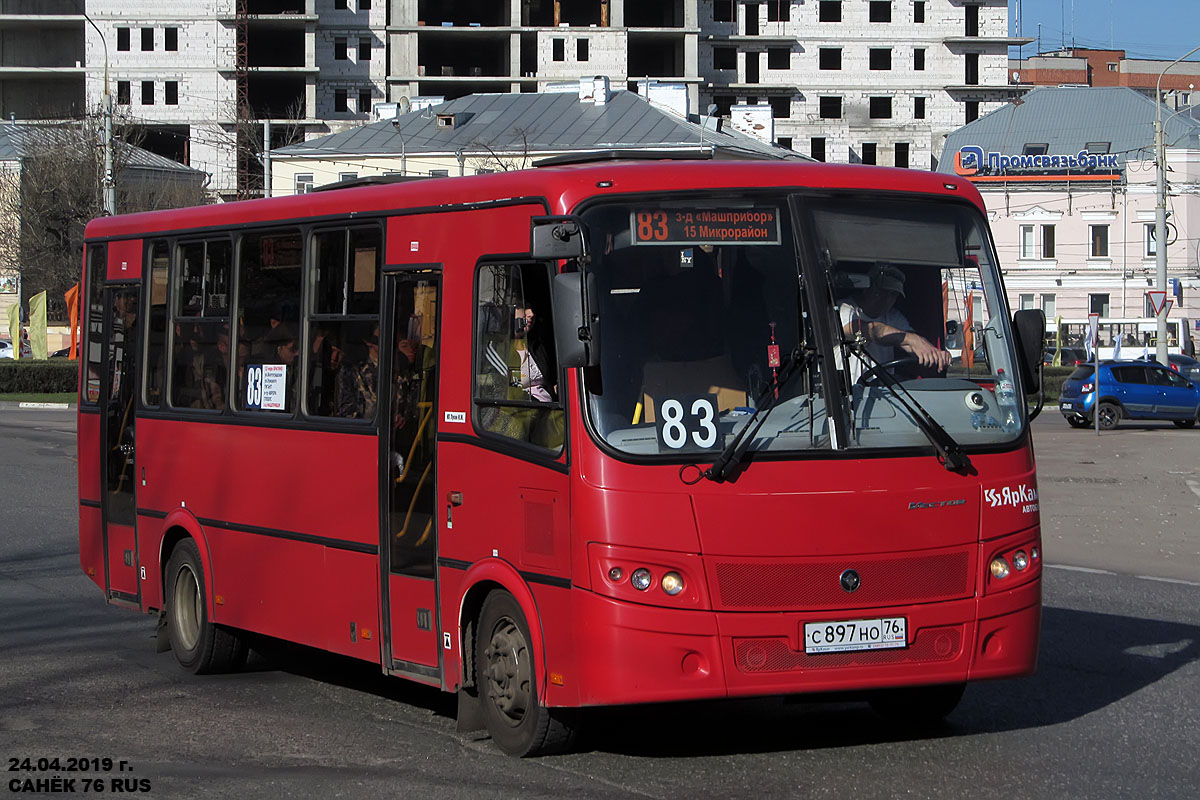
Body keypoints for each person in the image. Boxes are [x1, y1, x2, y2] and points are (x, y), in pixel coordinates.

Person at [839, 263, 950, 377]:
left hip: (883, 389)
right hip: (847, 390)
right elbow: (869, 330)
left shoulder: (892, 316)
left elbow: (911, 343)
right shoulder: (844, 310)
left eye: (893, 295)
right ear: (867, 289)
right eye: (882, 292)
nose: (887, 299)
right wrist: (912, 339)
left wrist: (933, 353)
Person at [337, 325, 379, 419]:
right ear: (369, 341)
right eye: (379, 339)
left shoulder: (396, 370)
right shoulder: (352, 372)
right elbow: (347, 411)